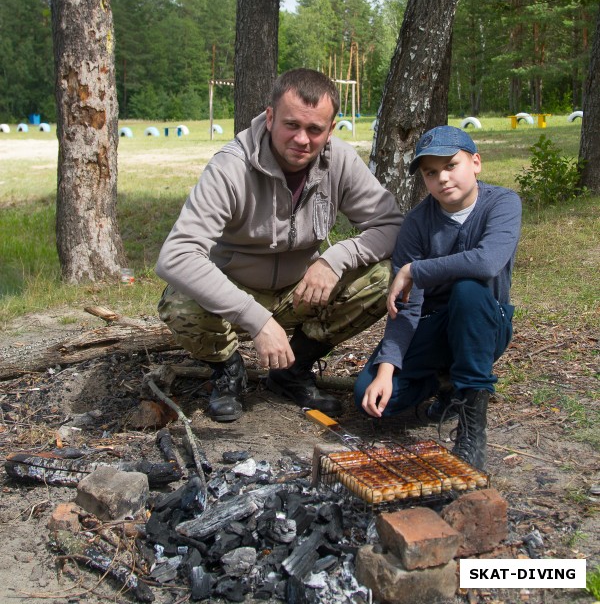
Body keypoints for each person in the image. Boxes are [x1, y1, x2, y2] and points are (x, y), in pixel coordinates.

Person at [156, 68, 402, 423]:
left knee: (385, 277)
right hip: (233, 294)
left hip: (300, 290)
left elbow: (392, 225)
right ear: (270, 118)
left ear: (331, 130)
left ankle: (293, 370)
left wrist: (336, 259)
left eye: (315, 129)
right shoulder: (231, 167)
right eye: (291, 125)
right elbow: (175, 257)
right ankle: (227, 370)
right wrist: (255, 319)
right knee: (178, 302)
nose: (302, 139)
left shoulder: (341, 161)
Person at [354, 125, 522, 470]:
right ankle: (443, 382)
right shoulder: (416, 222)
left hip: (485, 324)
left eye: (451, 165)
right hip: (433, 329)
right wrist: (386, 371)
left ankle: (472, 420)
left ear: (475, 162)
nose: (442, 178)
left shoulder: (503, 203)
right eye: (431, 172)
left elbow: (487, 261)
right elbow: (408, 306)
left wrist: (416, 270)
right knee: (368, 395)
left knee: (468, 289)